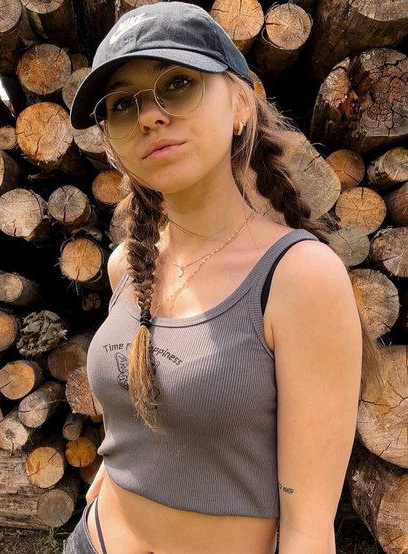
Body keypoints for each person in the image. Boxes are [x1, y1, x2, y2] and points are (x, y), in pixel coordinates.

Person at [65, 3, 384, 553]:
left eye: (177, 84)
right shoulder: (127, 265)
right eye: (121, 104)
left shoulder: (299, 278)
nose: (149, 117)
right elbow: (145, 402)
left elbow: (307, 532)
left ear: (240, 102)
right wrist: (123, 465)